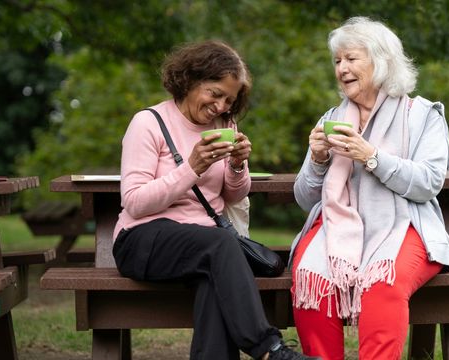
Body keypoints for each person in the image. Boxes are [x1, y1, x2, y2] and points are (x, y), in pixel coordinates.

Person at [112, 40, 318, 360]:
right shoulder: (148, 123)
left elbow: (232, 194)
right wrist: (192, 167)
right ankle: (270, 349)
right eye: (215, 93)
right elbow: (135, 202)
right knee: (220, 244)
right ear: (191, 79)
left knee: (214, 280)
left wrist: (237, 164)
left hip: (205, 248)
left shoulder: (225, 125)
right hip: (143, 239)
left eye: (229, 100)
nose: (221, 106)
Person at [290, 17, 449, 360]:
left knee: (382, 285)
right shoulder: (331, 119)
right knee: (312, 280)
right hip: (339, 226)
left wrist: (372, 157)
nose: (342, 69)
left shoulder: (422, 115)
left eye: (351, 59)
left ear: (381, 62)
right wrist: (318, 159)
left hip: (405, 224)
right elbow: (305, 198)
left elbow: (428, 183)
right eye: (338, 61)